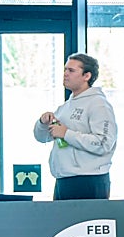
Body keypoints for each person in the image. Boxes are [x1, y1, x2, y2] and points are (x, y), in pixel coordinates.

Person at [33, 53, 118, 200]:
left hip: (88, 180)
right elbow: (42, 138)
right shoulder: (65, 106)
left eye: (71, 71)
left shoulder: (98, 104)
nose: (65, 74)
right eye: (65, 70)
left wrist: (66, 134)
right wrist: (42, 122)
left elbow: (104, 143)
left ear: (87, 76)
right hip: (64, 179)